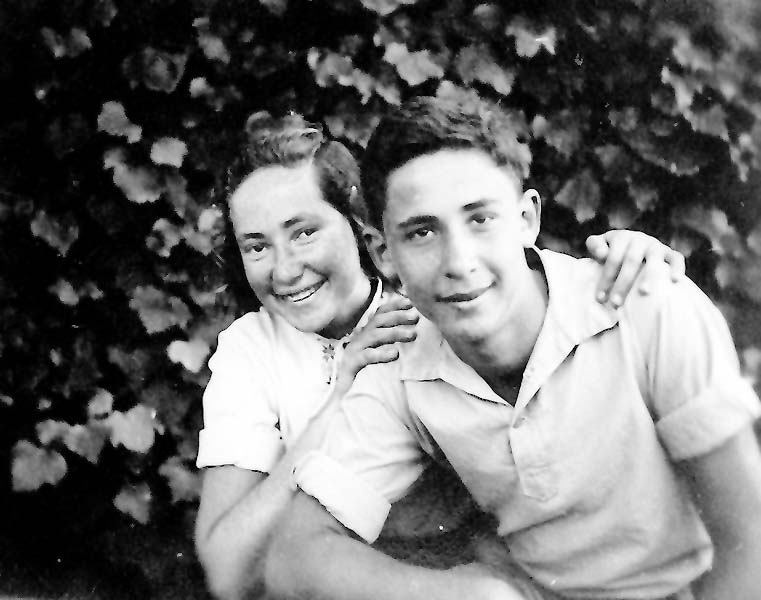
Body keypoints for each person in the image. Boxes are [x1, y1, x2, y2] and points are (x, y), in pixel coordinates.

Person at [264, 96, 761, 600]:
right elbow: (294, 557)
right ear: (383, 253)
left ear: (526, 218)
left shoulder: (644, 303)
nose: (459, 262)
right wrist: (467, 598)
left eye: (480, 219)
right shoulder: (400, 360)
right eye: (422, 232)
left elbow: (752, 542)